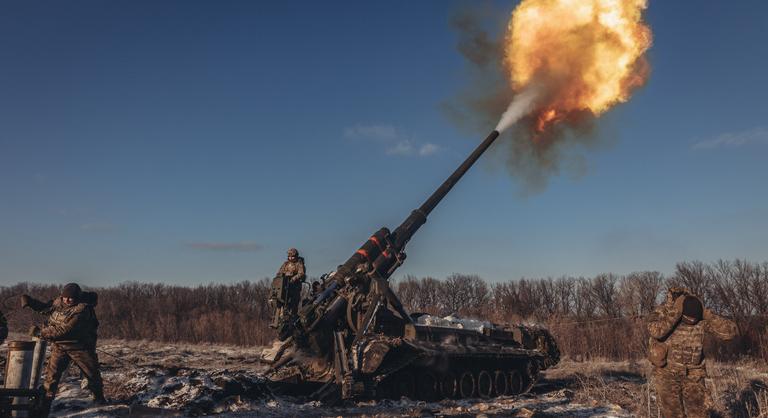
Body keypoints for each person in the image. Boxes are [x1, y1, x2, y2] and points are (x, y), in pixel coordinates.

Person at [647, 287, 738, 418]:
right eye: (688, 319)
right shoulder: (663, 312)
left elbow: (730, 332)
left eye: (694, 319)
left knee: (699, 414)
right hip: (666, 373)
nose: (692, 322)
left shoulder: (701, 316)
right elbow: (656, 331)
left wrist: (708, 315)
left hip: (694, 373)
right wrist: (675, 314)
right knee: (673, 415)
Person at [21, 283, 106, 412]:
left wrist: (40, 333)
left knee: (92, 375)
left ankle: (100, 401)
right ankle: (43, 408)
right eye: (65, 297)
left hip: (80, 347)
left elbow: (64, 330)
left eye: (70, 298)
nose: (67, 300)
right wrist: (31, 302)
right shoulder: (59, 302)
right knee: (51, 378)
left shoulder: (82, 310)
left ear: (77, 297)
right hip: (60, 346)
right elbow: (46, 308)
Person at [274, 248, 306, 316]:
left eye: (292, 256)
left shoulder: (299, 263)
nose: (291, 258)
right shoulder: (286, 264)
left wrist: (293, 278)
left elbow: (301, 273)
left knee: (293, 304)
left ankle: (292, 317)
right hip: (285, 287)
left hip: (295, 287)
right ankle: (280, 316)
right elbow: (279, 273)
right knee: (281, 301)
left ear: (296, 256)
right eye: (289, 256)